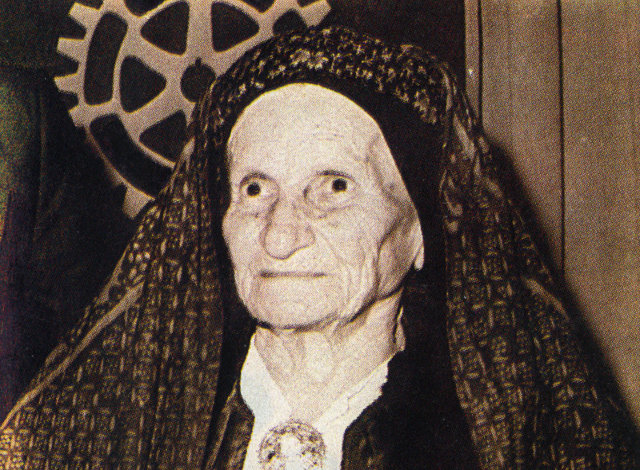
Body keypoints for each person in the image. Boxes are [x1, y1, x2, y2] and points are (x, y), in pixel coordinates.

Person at [0, 26, 637, 469]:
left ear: (423, 230)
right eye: (254, 189)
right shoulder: (98, 430)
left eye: (333, 186)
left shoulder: (519, 442)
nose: (279, 234)